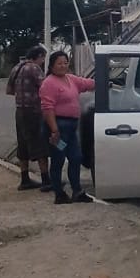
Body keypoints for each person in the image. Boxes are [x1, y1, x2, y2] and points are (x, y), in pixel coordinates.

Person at [39, 51, 95, 205]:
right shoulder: (49, 83)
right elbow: (47, 108)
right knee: (58, 159)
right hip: (58, 128)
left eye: (65, 62)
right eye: (59, 63)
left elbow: (86, 83)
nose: (63, 66)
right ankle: (59, 193)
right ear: (52, 66)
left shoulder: (70, 79)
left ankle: (77, 191)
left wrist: (105, 81)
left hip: (71, 129)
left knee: (76, 157)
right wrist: (54, 130)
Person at [5, 46, 51, 191]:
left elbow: (9, 90)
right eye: (43, 58)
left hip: (20, 111)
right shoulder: (34, 68)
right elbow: (45, 88)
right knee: (40, 144)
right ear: (39, 56)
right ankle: (46, 179)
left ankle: (25, 179)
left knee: (23, 144)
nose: (43, 61)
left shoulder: (16, 68)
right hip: (34, 111)